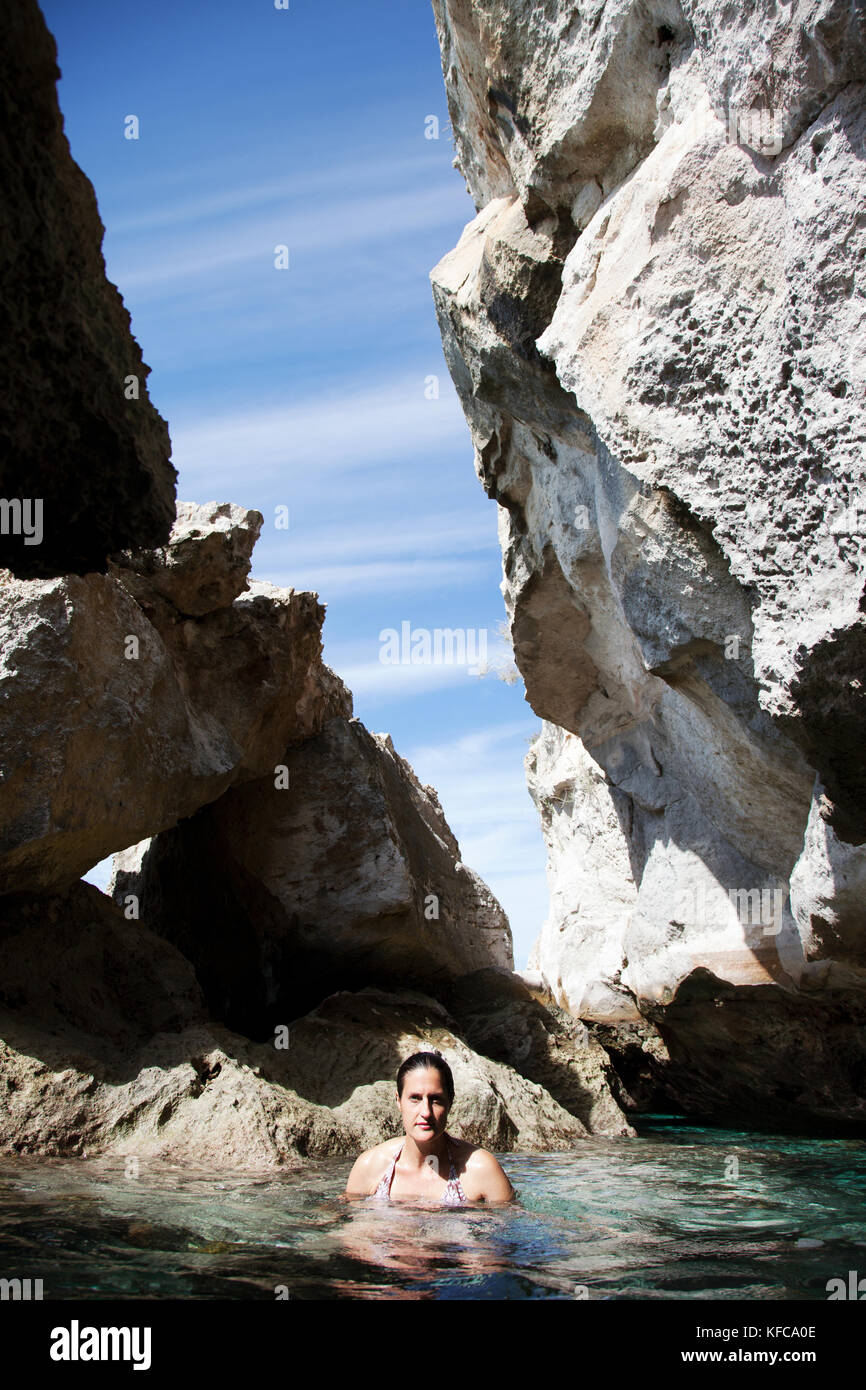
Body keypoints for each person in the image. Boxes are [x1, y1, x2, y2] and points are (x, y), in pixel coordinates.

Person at [344, 1050, 515, 1204]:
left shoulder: (482, 1170)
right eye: (415, 1098)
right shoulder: (370, 1167)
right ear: (398, 1100)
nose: (426, 1112)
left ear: (450, 1101)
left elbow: (510, 1232)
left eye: (435, 1099)